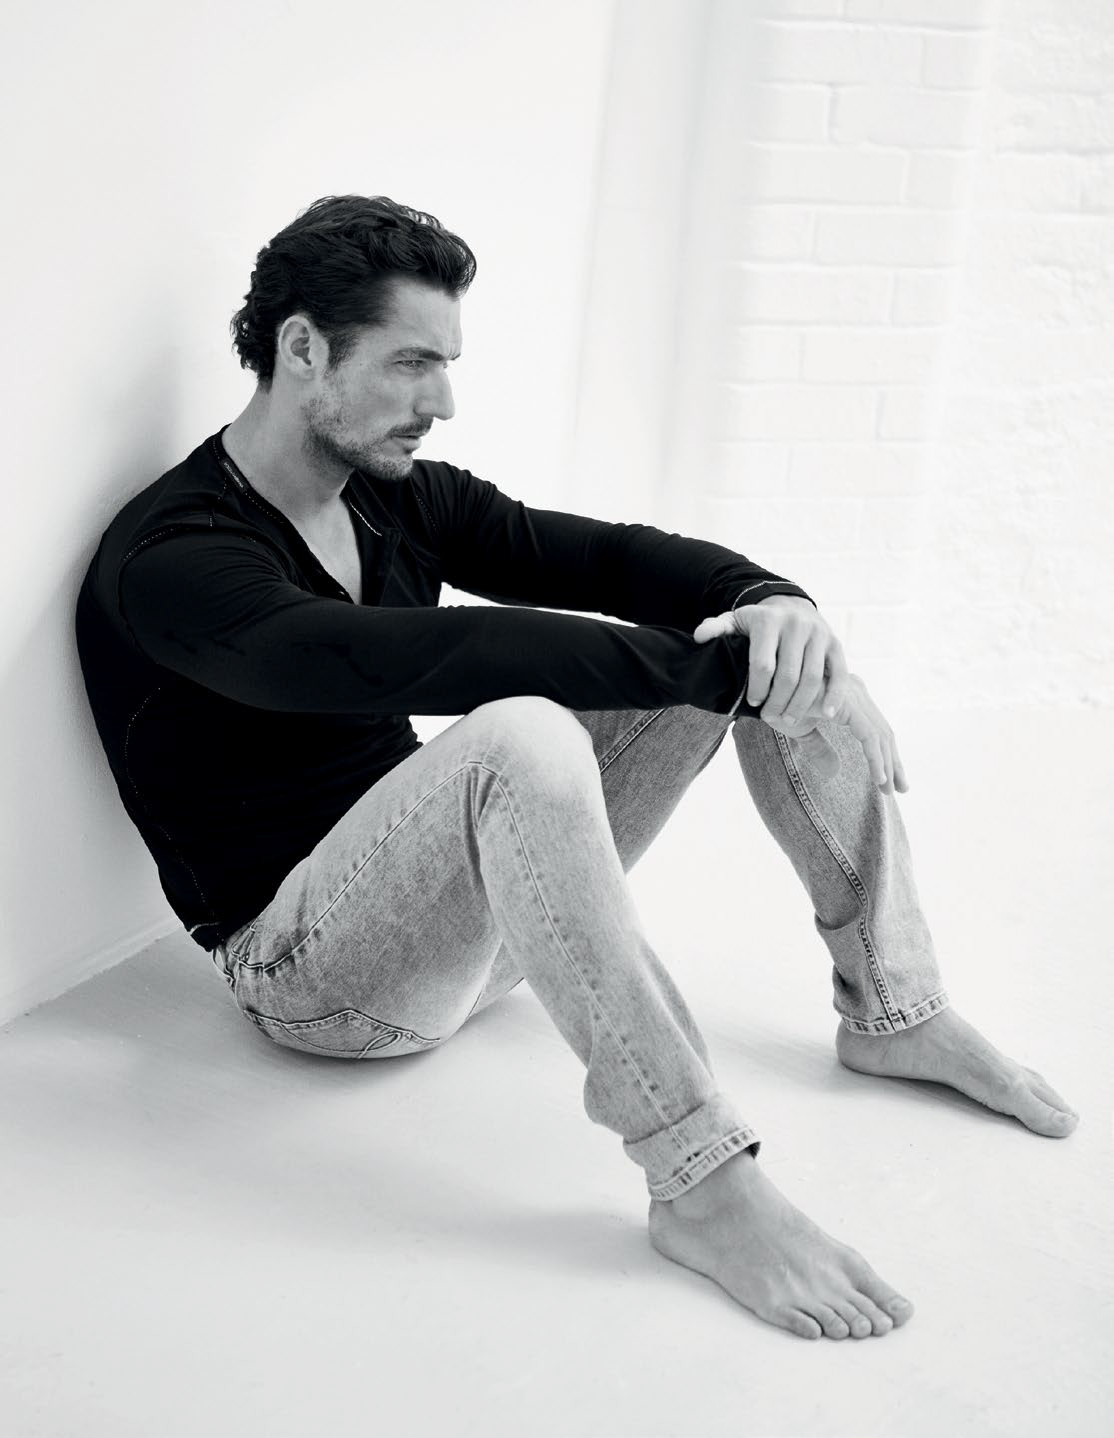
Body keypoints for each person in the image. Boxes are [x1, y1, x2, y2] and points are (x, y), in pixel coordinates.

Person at [75, 194, 1078, 1343]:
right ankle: (700, 1183)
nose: (441, 402)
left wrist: (773, 608)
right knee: (532, 729)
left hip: (469, 923)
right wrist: (731, 671)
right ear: (303, 348)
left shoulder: (395, 498)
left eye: (446, 365)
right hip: (312, 978)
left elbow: (606, 558)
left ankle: (894, 1007)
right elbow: (375, 657)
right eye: (411, 363)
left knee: (758, 643)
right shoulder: (175, 556)